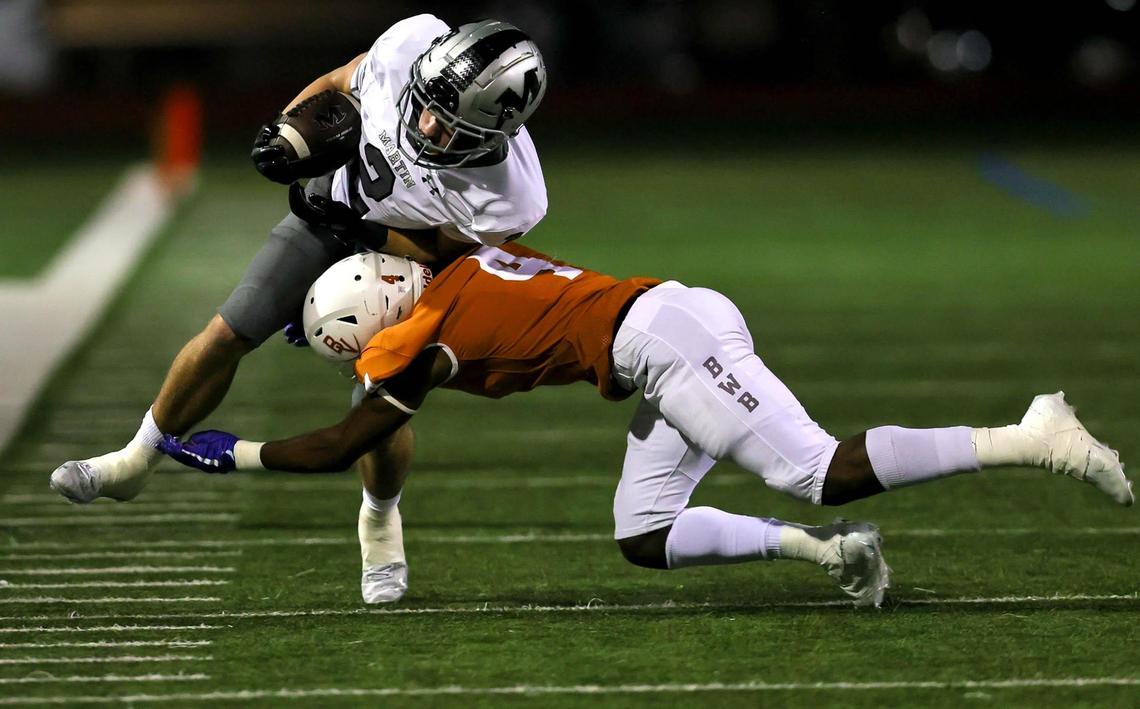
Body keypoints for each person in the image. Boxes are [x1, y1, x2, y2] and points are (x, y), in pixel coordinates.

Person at [157, 244, 1134, 607]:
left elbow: (345, 443)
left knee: (816, 467)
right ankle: (832, 556)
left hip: (666, 343)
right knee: (644, 533)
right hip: (663, 328)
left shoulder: (431, 339)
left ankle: (1034, 434)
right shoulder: (450, 260)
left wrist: (232, 452)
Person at [50, 15, 550, 604]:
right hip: (327, 208)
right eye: (425, 102)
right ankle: (136, 460)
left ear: (494, 131)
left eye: (446, 123)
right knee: (229, 329)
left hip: (409, 254)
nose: (424, 122)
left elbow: (446, 251)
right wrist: (291, 128)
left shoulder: (511, 196)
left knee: (380, 391)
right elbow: (338, 81)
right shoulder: (412, 45)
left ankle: (380, 517)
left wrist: (362, 237)